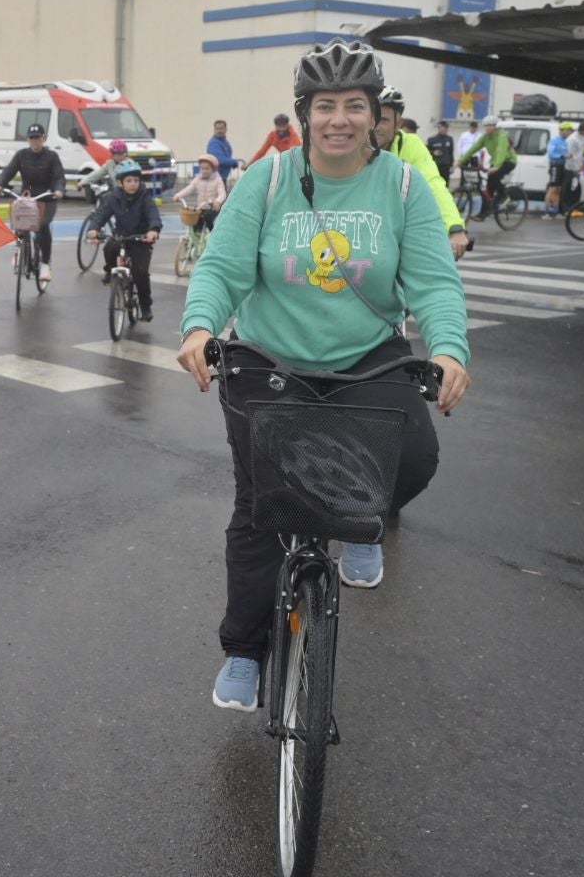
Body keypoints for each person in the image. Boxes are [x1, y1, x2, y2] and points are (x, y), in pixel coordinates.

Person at [176, 38, 470, 709]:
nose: (341, 119)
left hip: (365, 356)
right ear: (304, 113)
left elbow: (433, 282)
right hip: (268, 358)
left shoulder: (402, 185)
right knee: (258, 513)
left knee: (416, 457)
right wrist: (199, 325)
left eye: (355, 106)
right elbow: (222, 266)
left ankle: (359, 521)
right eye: (326, 105)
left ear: (376, 114)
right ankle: (246, 654)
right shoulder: (269, 179)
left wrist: (450, 348)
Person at [375, 88, 470, 259]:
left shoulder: (409, 144)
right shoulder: (352, 144)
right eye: (371, 117)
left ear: (398, 124)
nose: (374, 126)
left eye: (383, 120)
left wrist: (455, 227)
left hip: (397, 228)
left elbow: (433, 184)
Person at [86, 159, 162, 319]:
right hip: (122, 236)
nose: (133, 184)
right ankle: (110, 271)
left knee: (140, 273)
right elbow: (102, 214)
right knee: (109, 247)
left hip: (141, 239)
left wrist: (153, 230)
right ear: (120, 183)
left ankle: (145, 305)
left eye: (136, 180)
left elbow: (152, 214)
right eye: (128, 181)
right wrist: (94, 228)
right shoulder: (113, 198)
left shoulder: (144, 196)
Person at [0, 123, 66, 284]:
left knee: (44, 225)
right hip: (27, 197)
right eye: (32, 138)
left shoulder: (52, 156)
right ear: (28, 139)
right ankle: (18, 249)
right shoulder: (21, 155)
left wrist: (59, 190)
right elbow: (8, 171)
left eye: (38, 137)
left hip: (47, 197)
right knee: (19, 222)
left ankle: (45, 264)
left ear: (43, 138)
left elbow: (59, 176)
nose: (35, 141)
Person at [458, 119, 518, 216]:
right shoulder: (485, 137)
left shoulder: (501, 136)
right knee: (487, 186)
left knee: (494, 177)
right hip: (495, 162)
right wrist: (461, 160)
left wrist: (497, 166)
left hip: (508, 161)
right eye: (486, 125)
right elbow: (474, 148)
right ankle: (485, 211)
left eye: (491, 125)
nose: (488, 127)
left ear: (495, 126)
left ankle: (504, 196)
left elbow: (501, 151)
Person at [173, 152, 227, 232]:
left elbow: (222, 193)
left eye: (207, 168)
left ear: (213, 169)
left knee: (208, 217)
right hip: (201, 207)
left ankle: (213, 234)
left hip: (213, 207)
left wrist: (218, 201)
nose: (204, 171)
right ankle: (197, 239)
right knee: (195, 220)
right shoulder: (198, 179)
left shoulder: (217, 180)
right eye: (202, 168)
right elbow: (189, 188)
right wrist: (178, 195)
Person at [543, 122, 574, 218]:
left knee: (559, 189)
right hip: (555, 165)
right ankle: (547, 212)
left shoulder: (566, 142)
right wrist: (562, 155)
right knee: (552, 188)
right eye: (567, 130)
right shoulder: (554, 141)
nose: (569, 133)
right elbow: (551, 154)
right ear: (562, 131)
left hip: (563, 166)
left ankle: (556, 211)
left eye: (570, 131)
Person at [563, 121, 584, 212]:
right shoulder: (572, 139)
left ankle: (574, 207)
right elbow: (569, 154)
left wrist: (581, 167)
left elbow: (580, 154)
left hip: (579, 167)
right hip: (570, 168)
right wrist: (574, 168)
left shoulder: (582, 138)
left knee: (577, 188)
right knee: (569, 188)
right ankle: (567, 208)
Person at [206, 119, 237, 186]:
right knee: (220, 196)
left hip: (222, 177)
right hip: (215, 177)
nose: (219, 131)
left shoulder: (225, 142)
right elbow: (220, 159)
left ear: (226, 129)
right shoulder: (214, 143)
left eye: (221, 128)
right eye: (217, 129)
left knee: (223, 195)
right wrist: (233, 162)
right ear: (214, 130)